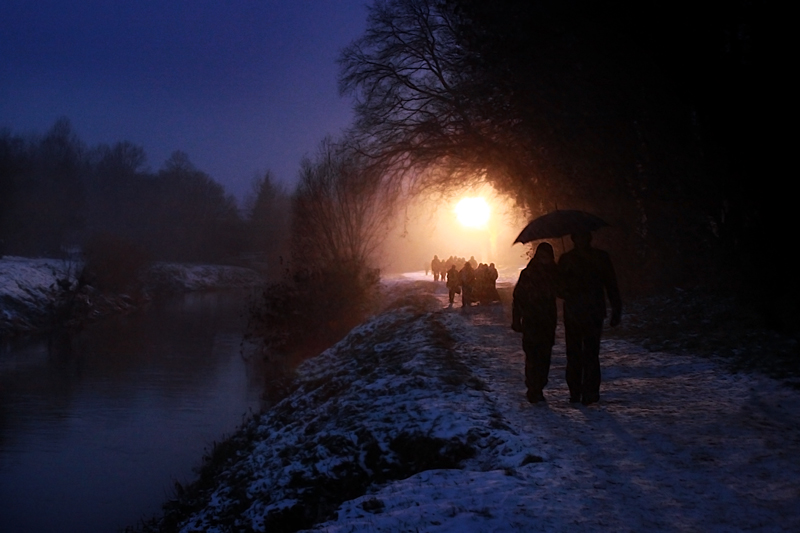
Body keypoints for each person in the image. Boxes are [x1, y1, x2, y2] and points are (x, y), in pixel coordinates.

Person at [558, 231, 621, 405]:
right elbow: (558, 287)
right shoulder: (570, 259)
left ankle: (586, 392)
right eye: (579, 236)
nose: (581, 239)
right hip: (580, 312)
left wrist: (616, 309)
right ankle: (579, 391)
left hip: (587, 312)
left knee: (587, 354)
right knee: (579, 354)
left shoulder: (570, 258)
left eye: (583, 236)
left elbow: (611, 284)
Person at [512, 243, 559, 404]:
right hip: (532, 321)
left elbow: (562, 291)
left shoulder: (554, 273)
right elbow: (518, 297)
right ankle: (533, 388)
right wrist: (516, 319)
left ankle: (538, 386)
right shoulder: (528, 274)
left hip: (547, 322)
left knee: (544, 357)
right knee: (533, 356)